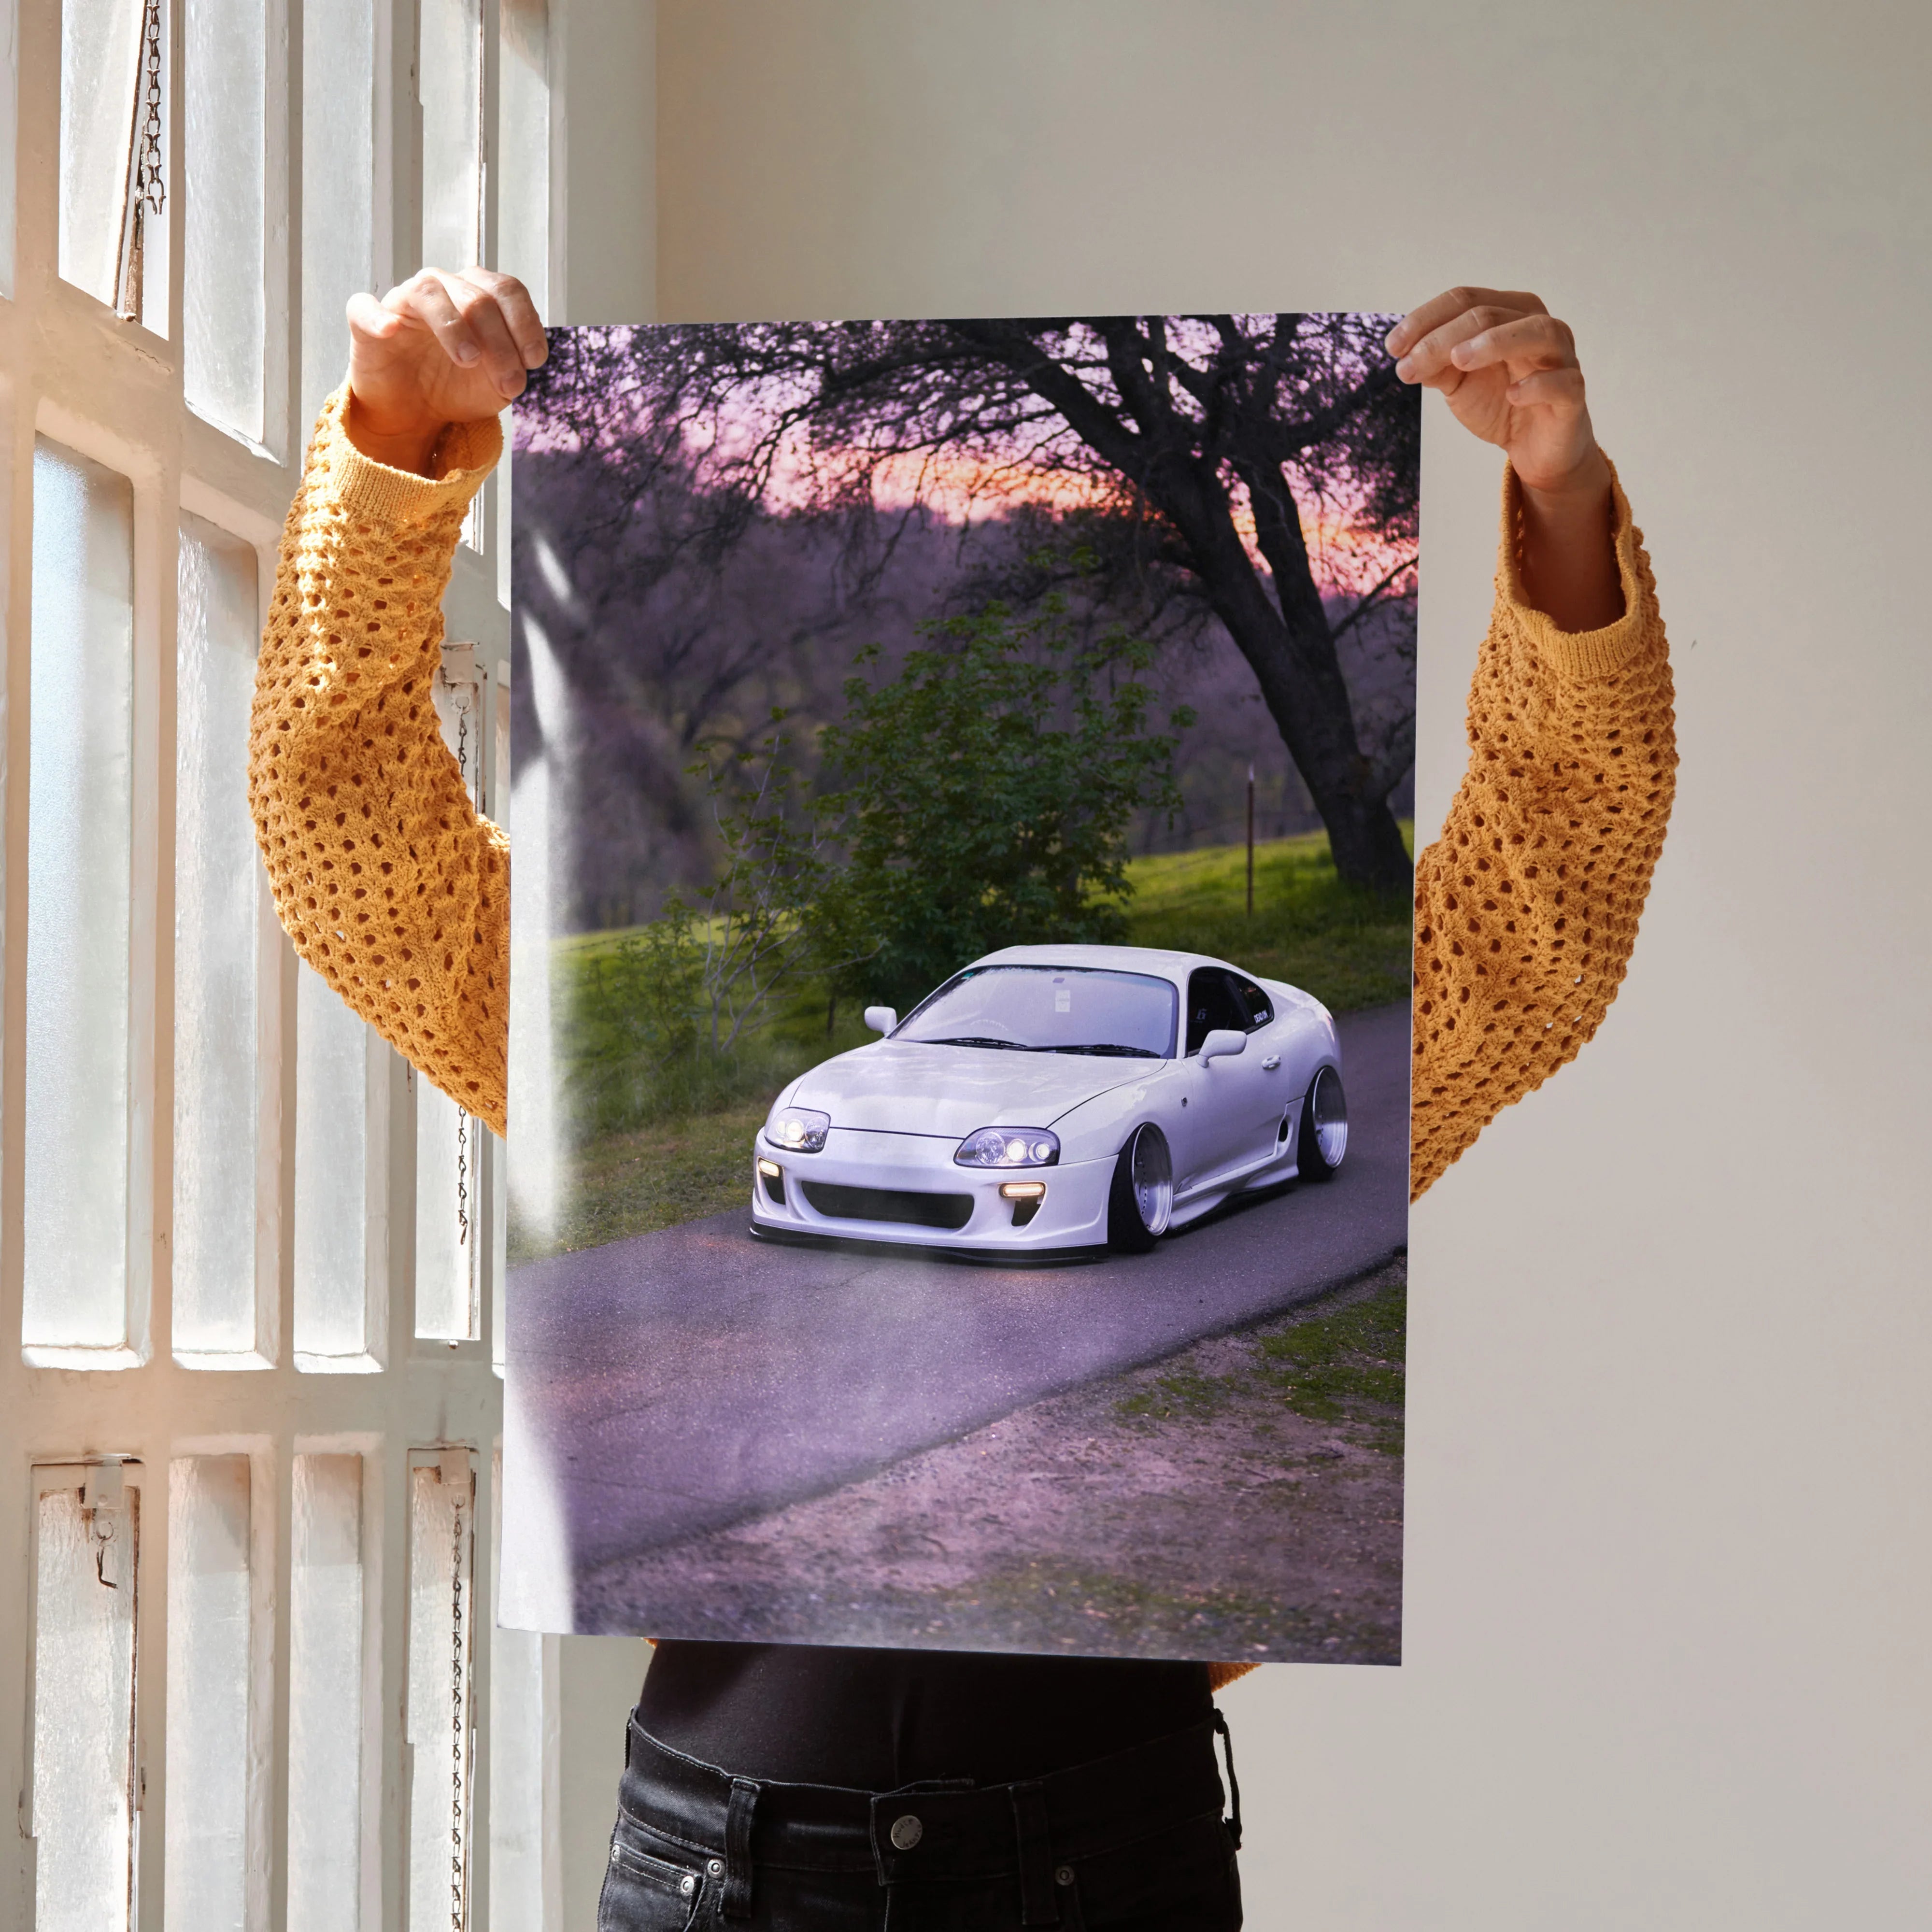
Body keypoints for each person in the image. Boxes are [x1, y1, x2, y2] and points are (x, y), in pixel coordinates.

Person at [250, 270, 1675, 1930]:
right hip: (723, 1867)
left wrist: (1560, 497)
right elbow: (347, 843)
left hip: (1105, 1859)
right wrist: (392, 443)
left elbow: (1546, 902)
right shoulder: (669, 1062)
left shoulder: (1256, 1082)